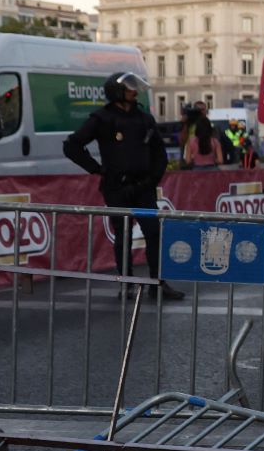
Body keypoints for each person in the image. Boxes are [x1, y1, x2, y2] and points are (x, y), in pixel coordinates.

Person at [63, 71, 184, 301]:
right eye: (130, 88)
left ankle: (157, 283)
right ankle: (127, 283)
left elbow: (159, 152)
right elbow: (72, 145)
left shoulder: (144, 118)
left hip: (143, 186)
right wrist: (97, 169)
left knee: (153, 232)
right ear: (117, 91)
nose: (134, 92)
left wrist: (152, 179)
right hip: (117, 187)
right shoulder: (102, 118)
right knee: (124, 235)